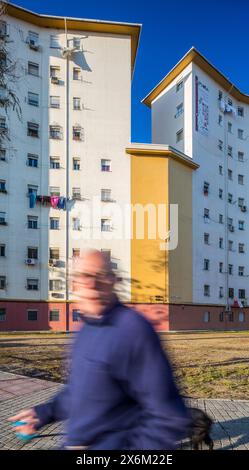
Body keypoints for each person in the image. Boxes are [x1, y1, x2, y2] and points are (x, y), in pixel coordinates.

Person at [9, 249, 190, 450]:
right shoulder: (84, 329)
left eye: (101, 276)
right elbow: (80, 392)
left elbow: (169, 417)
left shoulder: (133, 329)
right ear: (73, 285)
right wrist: (43, 413)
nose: (92, 285)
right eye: (85, 276)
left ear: (113, 281)